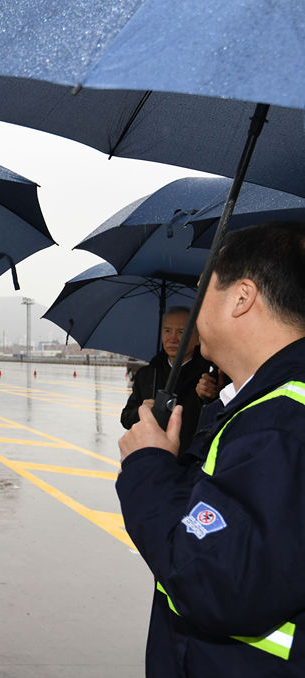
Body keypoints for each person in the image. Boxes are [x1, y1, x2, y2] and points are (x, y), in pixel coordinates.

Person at [117, 221, 305, 676]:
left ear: (242, 297)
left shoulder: (279, 424)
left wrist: (148, 466)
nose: (196, 302)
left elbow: (213, 580)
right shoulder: (264, 405)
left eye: (204, 287)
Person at [120, 306, 220, 461]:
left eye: (181, 332)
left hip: (194, 463)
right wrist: (141, 411)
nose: (172, 338)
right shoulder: (148, 374)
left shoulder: (210, 375)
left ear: (197, 337)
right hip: (153, 460)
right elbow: (126, 419)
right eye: (167, 331)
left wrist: (210, 398)